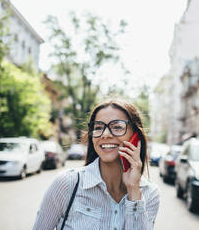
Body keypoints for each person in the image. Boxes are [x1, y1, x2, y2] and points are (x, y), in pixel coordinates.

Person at [32, 98, 160, 230]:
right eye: (98, 127)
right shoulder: (67, 183)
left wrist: (133, 190)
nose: (105, 134)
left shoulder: (149, 193)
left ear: (135, 137)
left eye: (117, 127)